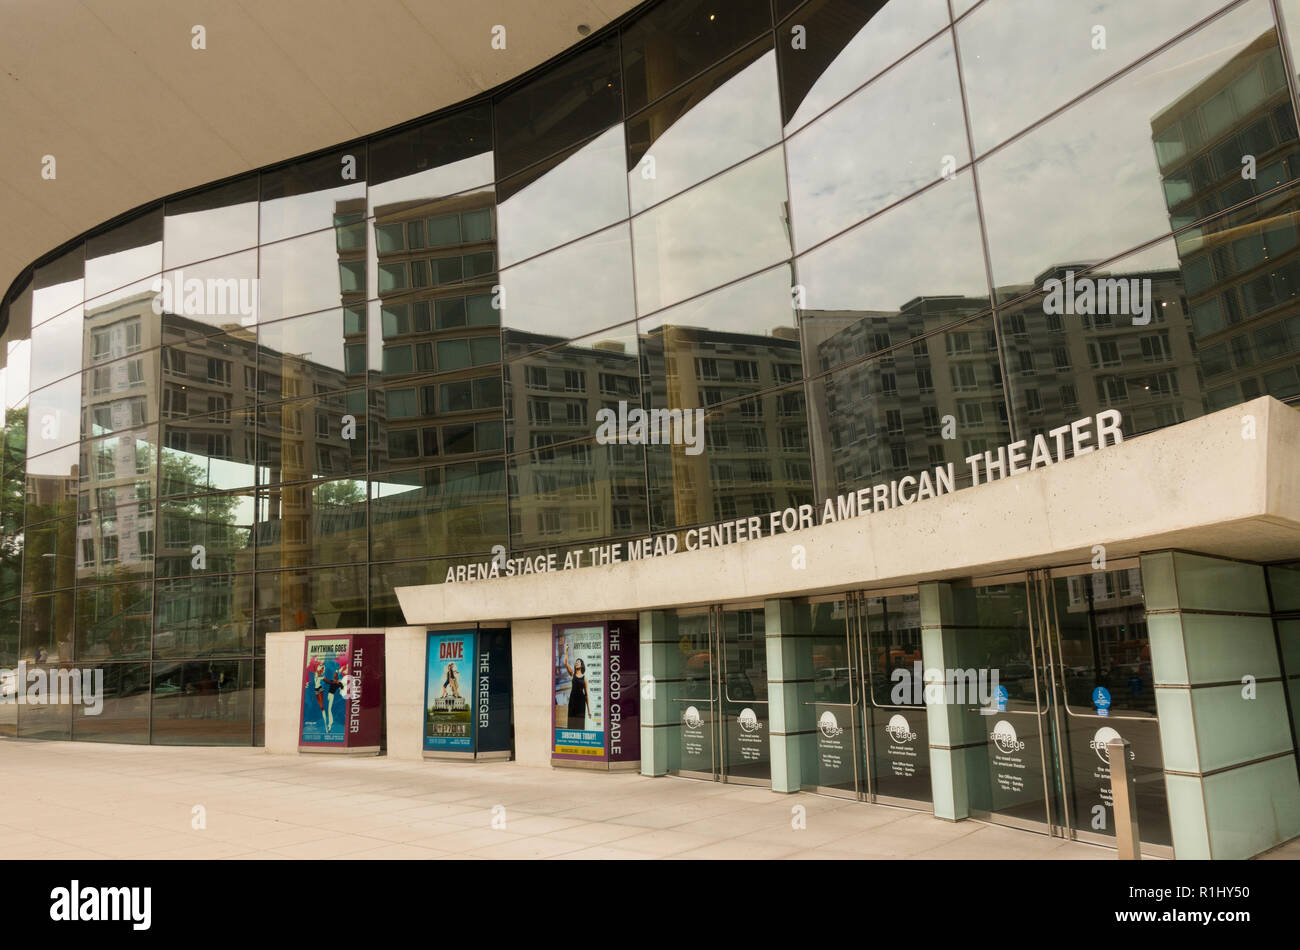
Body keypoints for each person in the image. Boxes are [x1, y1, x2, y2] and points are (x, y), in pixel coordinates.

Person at [563, 644, 591, 730]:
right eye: (576, 662)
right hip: (573, 701)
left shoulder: (584, 678)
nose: (576, 663)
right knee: (571, 723)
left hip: (581, 702)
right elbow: (565, 663)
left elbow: (586, 695)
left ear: (581, 665)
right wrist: (566, 650)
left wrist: (589, 710)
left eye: (578, 662)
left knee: (579, 724)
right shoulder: (572, 674)